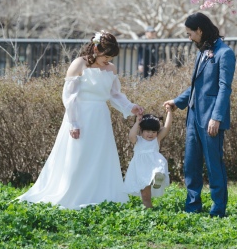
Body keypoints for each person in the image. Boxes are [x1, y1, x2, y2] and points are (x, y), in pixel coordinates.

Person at [17, 31, 143, 209]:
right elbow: (69, 97)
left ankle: (100, 194)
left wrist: (130, 107)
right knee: (78, 154)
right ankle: (74, 194)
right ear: (96, 48)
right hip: (81, 115)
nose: (107, 60)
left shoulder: (111, 69)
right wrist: (73, 122)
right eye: (105, 55)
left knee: (99, 154)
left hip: (100, 116)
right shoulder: (79, 64)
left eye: (110, 57)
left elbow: (114, 94)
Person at [164, 12, 235, 218]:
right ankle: (193, 205)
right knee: (191, 163)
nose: (189, 38)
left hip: (211, 119)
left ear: (200, 31)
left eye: (190, 34)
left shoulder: (224, 53)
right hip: (193, 117)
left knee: (214, 164)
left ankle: (218, 208)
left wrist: (217, 117)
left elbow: (224, 88)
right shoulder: (202, 52)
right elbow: (197, 86)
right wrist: (177, 102)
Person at [123, 109, 173, 208]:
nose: (151, 134)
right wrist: (137, 122)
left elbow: (166, 128)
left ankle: (157, 177)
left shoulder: (156, 139)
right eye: (148, 131)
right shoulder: (138, 140)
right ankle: (148, 209)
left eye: (154, 132)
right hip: (141, 169)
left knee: (158, 170)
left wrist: (170, 113)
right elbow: (131, 136)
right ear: (141, 130)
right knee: (145, 195)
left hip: (154, 164)